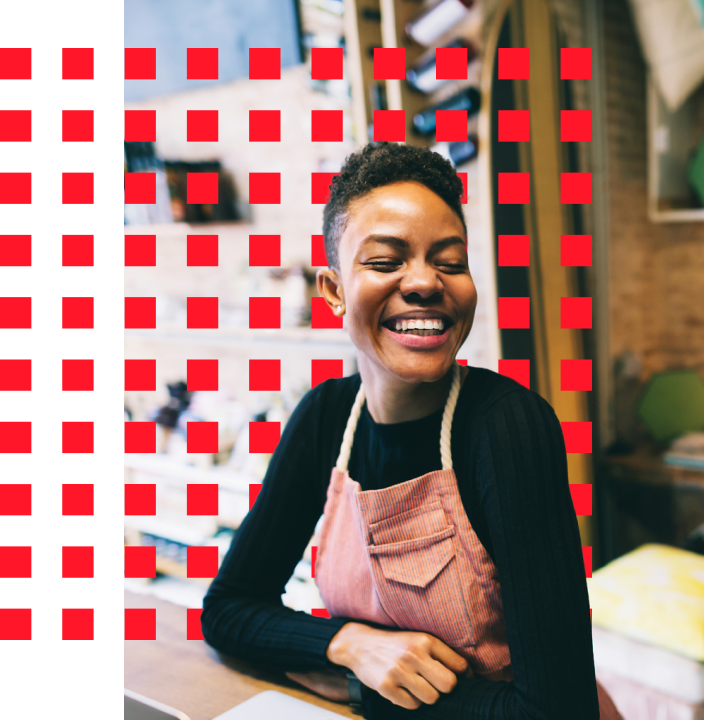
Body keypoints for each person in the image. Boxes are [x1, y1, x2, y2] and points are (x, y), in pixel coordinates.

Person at [200, 142, 623, 719]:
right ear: (333, 292)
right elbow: (228, 609)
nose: (424, 282)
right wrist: (349, 645)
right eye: (384, 261)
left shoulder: (506, 426)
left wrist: (356, 686)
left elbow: (559, 711)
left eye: (450, 261)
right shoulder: (325, 417)